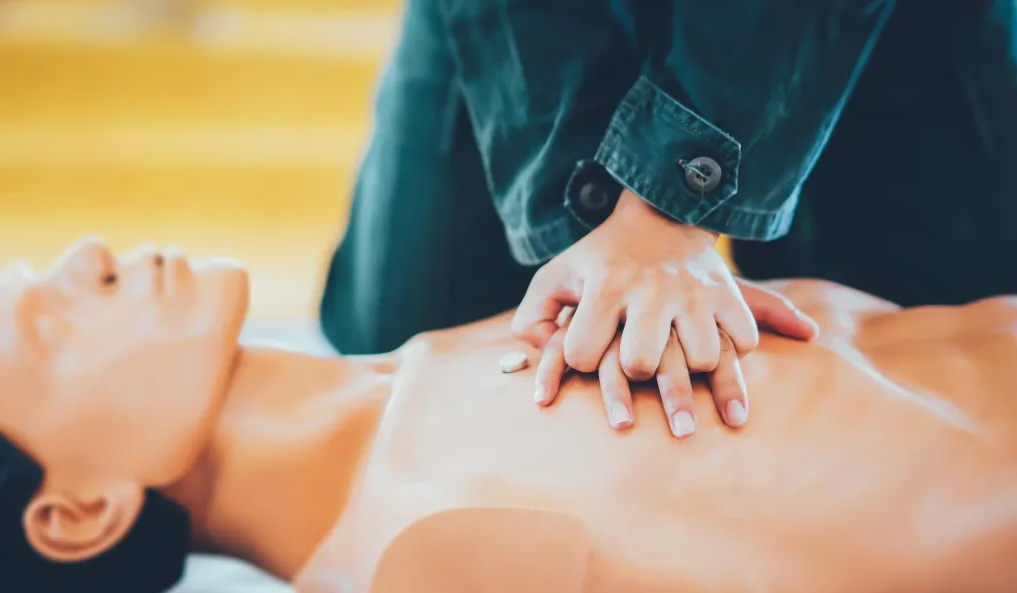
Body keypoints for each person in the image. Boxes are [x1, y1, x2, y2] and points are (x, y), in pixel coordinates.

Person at [0, 238, 1017, 593]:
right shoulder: (432, 568)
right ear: (80, 510)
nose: (86, 256)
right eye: (50, 326)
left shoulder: (405, 383)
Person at [320, 0, 1017, 437]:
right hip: (526, 29)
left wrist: (667, 206)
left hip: (876, 27)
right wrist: (601, 240)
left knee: (952, 395)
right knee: (416, 357)